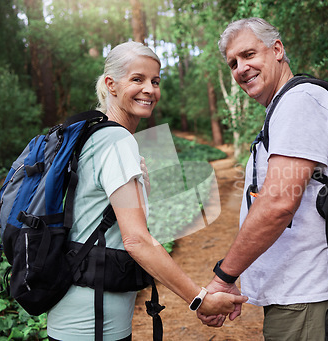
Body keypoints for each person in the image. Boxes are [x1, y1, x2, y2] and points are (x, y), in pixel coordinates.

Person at [46, 41, 247, 341]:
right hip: (93, 320)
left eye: (155, 81)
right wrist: (199, 298)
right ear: (111, 85)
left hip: (77, 308)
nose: (150, 89)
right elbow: (136, 240)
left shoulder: (93, 134)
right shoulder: (117, 141)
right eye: (137, 79)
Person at [198, 18, 328, 340]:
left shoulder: (299, 103)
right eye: (233, 63)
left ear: (277, 50)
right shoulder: (287, 106)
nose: (240, 68)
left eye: (249, 54)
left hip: (316, 298)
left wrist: (224, 276)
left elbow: (278, 203)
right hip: (308, 295)